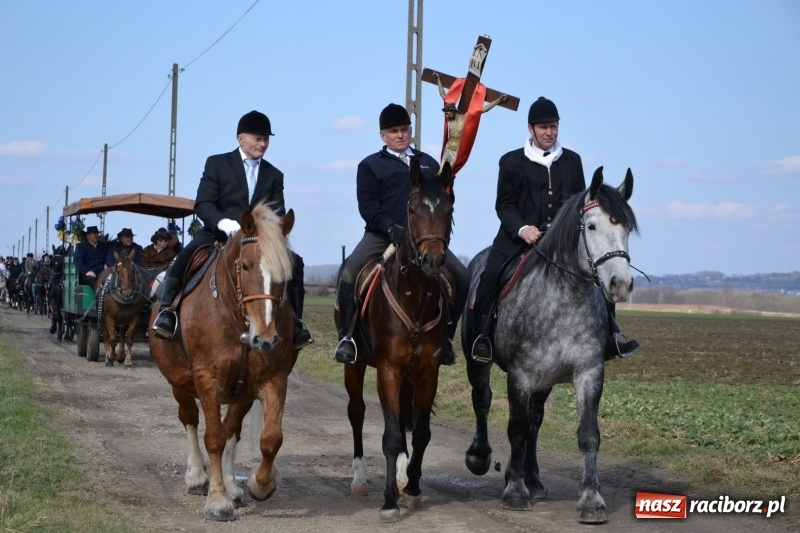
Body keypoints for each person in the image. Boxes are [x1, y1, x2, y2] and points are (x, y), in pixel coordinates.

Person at [470, 97, 639, 362]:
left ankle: (609, 336)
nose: (549, 132)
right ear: (531, 129)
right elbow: (504, 205)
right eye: (543, 127)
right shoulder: (511, 161)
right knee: (490, 273)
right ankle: (482, 337)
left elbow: (580, 204)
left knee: (599, 271)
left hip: (561, 241)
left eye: (553, 126)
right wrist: (523, 228)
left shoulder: (572, 160)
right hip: (519, 237)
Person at [152, 110, 313, 349]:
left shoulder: (274, 175)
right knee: (185, 255)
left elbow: (277, 211)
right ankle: (167, 312)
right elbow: (203, 203)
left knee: (295, 262)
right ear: (241, 139)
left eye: (266, 139)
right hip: (217, 234)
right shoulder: (217, 164)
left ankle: (297, 324)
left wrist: (274, 231)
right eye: (258, 138)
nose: (263, 143)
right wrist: (224, 222)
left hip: (257, 240)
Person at [332, 103, 469, 365]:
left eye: (404, 130)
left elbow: (442, 200)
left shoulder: (429, 163)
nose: (400, 135)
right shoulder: (370, 166)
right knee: (350, 272)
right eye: (394, 131)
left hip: (423, 240)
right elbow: (368, 206)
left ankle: (446, 339)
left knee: (462, 277)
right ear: (383, 135)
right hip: (382, 236)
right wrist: (390, 228)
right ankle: (346, 338)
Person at [433, 71, 507, 171]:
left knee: (448, 174)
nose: (446, 115)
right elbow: (443, 95)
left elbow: (483, 109)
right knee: (439, 173)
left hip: (456, 152)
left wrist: (499, 100)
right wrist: (438, 79)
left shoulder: (465, 117)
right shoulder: (451, 117)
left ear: (452, 111)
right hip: (447, 149)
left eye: (448, 113)